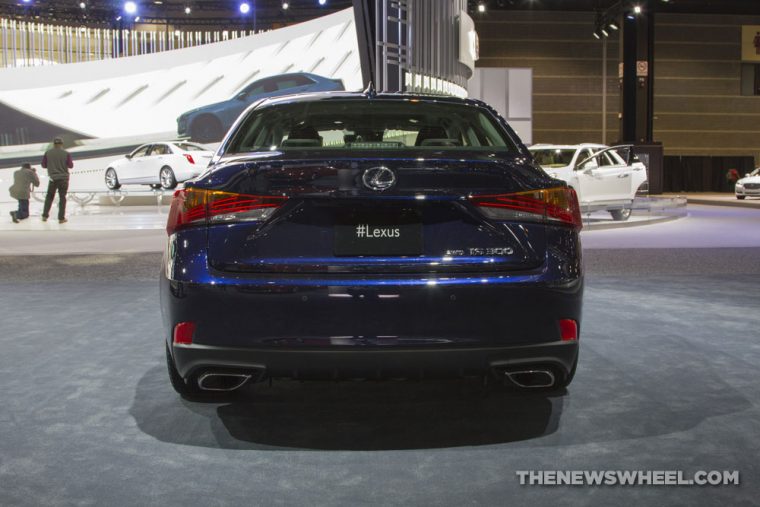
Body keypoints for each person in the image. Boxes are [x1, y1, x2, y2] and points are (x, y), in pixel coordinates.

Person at [41, 137, 73, 224]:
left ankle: (44, 216)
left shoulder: (47, 153)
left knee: (49, 197)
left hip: (53, 179)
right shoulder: (66, 153)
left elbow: (43, 165)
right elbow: (70, 165)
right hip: (63, 179)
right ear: (62, 144)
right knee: (62, 198)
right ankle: (61, 218)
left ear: (53, 144)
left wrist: (52, 165)